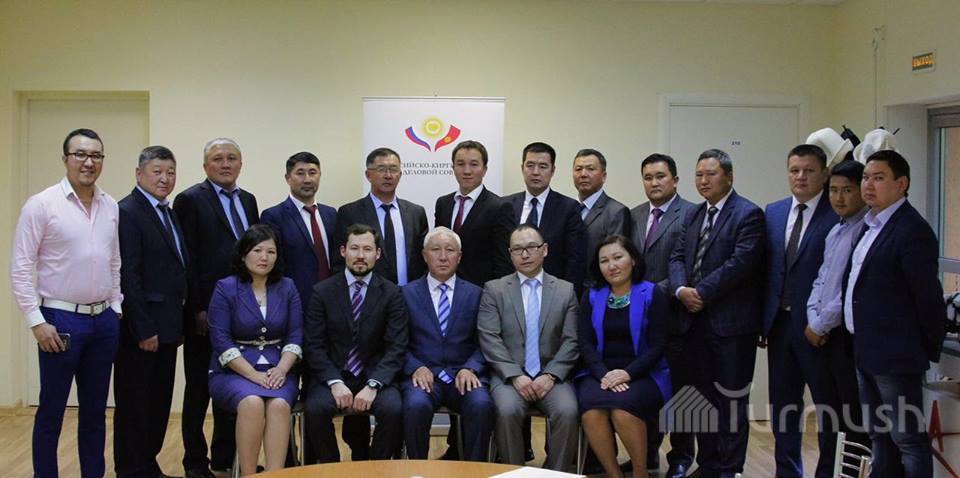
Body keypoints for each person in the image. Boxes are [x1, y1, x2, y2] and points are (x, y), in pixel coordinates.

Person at [10, 128, 122, 478]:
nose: (89, 162)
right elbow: (20, 267)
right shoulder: (42, 205)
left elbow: (114, 261)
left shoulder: (110, 205)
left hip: (103, 321)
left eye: (96, 155)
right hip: (59, 321)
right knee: (52, 410)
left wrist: (116, 308)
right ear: (66, 159)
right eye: (80, 154)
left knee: (95, 412)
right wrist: (36, 321)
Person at [843, 150, 945, 477]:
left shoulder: (911, 230)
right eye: (866, 178)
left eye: (879, 178)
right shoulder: (870, 224)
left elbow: (928, 299)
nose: (868, 185)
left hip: (896, 356)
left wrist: (923, 349)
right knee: (878, 435)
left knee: (908, 438)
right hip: (865, 349)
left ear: (902, 184)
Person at [668, 149, 765, 478]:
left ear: (729, 176)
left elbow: (741, 264)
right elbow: (677, 257)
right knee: (702, 401)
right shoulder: (694, 214)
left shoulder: (748, 214)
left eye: (711, 174)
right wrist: (681, 290)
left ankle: (729, 469)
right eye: (699, 174)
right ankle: (708, 465)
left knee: (731, 402)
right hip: (693, 324)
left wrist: (701, 293)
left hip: (731, 326)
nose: (703, 180)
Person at [174, 137, 259, 477]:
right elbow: (188, 259)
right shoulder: (189, 200)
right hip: (205, 312)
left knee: (233, 385)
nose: (225, 164)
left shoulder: (248, 200)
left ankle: (225, 458)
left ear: (241, 163)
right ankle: (195, 462)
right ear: (205, 165)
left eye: (232, 158)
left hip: (242, 312)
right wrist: (197, 308)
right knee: (198, 389)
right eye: (218, 158)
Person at [761, 144, 839, 478]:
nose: (801, 177)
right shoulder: (775, 212)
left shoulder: (836, 213)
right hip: (779, 325)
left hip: (819, 330)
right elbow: (768, 270)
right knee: (784, 407)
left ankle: (826, 471)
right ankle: (787, 471)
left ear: (824, 174)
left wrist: (823, 323)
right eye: (794, 170)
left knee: (827, 407)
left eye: (809, 171)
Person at [478, 224, 581, 471]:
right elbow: (490, 338)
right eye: (517, 249)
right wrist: (515, 375)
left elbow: (572, 340)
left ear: (544, 250)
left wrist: (550, 375)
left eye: (531, 247)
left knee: (568, 411)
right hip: (509, 377)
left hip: (552, 376)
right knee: (506, 410)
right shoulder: (495, 289)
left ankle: (556, 474)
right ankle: (514, 472)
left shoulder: (565, 290)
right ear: (510, 254)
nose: (525, 255)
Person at [303, 224, 408, 462]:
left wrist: (373, 384)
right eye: (354, 248)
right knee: (315, 409)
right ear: (343, 251)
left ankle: (375, 468)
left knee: (393, 409)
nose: (361, 255)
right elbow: (314, 345)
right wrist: (334, 382)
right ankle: (332, 469)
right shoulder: (322, 292)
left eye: (367, 249)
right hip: (333, 374)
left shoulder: (392, 294)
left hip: (375, 375)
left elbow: (396, 347)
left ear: (377, 254)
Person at [114, 145, 188, 478]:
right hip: (142, 332)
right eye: (157, 171)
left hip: (168, 326)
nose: (164, 178)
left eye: (170, 172)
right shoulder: (128, 212)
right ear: (139, 174)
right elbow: (128, 276)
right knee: (135, 405)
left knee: (157, 404)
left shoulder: (166, 211)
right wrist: (142, 328)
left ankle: (148, 466)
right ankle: (131, 470)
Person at [207, 225, 303, 476]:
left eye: (271, 252)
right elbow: (220, 340)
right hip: (232, 372)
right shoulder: (225, 288)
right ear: (243, 255)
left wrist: (282, 369)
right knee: (252, 403)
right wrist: (253, 375)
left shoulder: (288, 287)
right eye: (257, 250)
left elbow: (295, 334)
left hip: (278, 370)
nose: (264, 257)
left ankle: (275, 475)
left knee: (279, 405)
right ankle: (248, 474)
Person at [577, 234, 671, 478]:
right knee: (592, 411)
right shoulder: (592, 295)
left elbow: (658, 345)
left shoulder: (652, 293)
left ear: (633, 260)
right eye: (604, 261)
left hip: (645, 372)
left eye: (618, 257)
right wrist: (605, 375)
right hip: (599, 372)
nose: (612, 265)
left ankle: (640, 473)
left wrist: (627, 374)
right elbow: (585, 343)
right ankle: (614, 474)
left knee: (622, 409)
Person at [401, 227, 495, 461]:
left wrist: (471, 367)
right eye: (436, 250)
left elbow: (486, 340)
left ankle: (475, 472)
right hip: (423, 376)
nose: (443, 257)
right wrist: (415, 367)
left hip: (463, 374)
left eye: (450, 250)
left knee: (481, 404)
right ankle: (418, 471)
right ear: (424, 255)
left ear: (459, 256)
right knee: (415, 406)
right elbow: (395, 342)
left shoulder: (477, 294)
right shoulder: (405, 294)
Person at [630, 153, 696, 478]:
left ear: (675, 180)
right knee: (649, 388)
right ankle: (648, 453)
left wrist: (653, 293)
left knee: (682, 389)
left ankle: (681, 457)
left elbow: (690, 264)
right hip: (640, 321)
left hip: (677, 316)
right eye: (648, 177)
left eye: (660, 176)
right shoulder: (635, 215)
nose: (654, 182)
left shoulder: (692, 214)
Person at [805, 159, 870, 463]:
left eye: (847, 190)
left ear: (862, 191)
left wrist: (821, 324)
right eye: (833, 190)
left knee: (852, 418)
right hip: (823, 334)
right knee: (829, 415)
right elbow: (821, 279)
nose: (839, 198)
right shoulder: (836, 230)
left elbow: (849, 292)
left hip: (845, 336)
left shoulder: (866, 231)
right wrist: (813, 318)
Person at [334, 147, 428, 285]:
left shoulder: (416, 213)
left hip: (410, 293)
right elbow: (339, 262)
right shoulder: (349, 213)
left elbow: (424, 259)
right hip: (368, 293)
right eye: (381, 169)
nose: (388, 175)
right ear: (368, 175)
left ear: (400, 175)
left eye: (393, 169)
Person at [506, 142, 586, 291]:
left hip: (553, 292)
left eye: (543, 166)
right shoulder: (506, 205)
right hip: (510, 290)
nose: (536, 172)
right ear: (522, 168)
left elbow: (574, 260)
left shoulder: (568, 208)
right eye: (530, 166)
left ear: (553, 170)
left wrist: (565, 296)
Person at [435, 140, 515, 286]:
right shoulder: (443, 203)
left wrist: (494, 294)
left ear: (484, 169)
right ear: (453, 168)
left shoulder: (499, 207)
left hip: (481, 290)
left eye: (474, 164)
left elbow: (503, 261)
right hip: (444, 287)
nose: (467, 171)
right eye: (460, 164)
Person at [260, 151, 337, 307]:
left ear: (320, 176)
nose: (307, 179)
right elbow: (273, 265)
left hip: (332, 299)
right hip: (295, 301)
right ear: (288, 178)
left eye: (312, 173)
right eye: (300, 173)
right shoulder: (274, 216)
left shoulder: (331, 214)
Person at [573, 149, 631, 290]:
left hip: (598, 290)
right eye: (578, 169)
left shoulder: (616, 212)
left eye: (590, 169)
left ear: (603, 176)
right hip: (566, 291)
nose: (583, 174)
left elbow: (616, 260)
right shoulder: (567, 208)